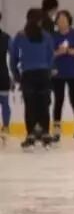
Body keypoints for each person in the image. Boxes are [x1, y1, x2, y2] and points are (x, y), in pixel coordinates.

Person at [10, 8, 55, 149]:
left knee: (30, 105)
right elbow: (51, 56)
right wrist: (47, 70)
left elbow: (13, 57)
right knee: (43, 104)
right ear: (40, 21)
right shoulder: (46, 36)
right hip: (43, 74)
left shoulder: (20, 36)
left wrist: (16, 74)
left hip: (28, 74)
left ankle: (30, 134)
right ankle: (45, 133)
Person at [51, 10, 74, 141]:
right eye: (59, 20)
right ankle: (56, 127)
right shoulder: (53, 36)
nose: (62, 22)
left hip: (73, 73)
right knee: (58, 100)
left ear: (69, 21)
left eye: (64, 20)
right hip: (58, 73)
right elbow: (50, 54)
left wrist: (68, 51)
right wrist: (58, 52)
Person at [0, 12, 12, 140]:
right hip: (3, 74)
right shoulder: (6, 38)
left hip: (2, 75)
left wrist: (14, 74)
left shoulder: (6, 38)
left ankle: (6, 127)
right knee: (4, 102)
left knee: (4, 102)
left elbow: (14, 56)